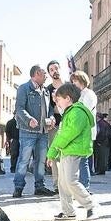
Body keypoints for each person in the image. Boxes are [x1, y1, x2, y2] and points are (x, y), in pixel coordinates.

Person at [46, 83, 94, 220]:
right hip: (67, 150)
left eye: (58, 100)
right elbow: (61, 135)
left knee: (70, 181)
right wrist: (52, 154)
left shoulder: (77, 112)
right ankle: (68, 211)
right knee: (62, 183)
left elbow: (67, 134)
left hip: (73, 150)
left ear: (67, 98)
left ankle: (90, 205)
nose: (57, 103)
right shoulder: (69, 113)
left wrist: (52, 152)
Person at [13, 65, 56, 198]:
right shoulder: (24, 88)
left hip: (43, 132)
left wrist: (52, 117)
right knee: (24, 160)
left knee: (41, 161)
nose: (46, 76)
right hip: (27, 131)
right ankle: (18, 187)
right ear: (37, 74)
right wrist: (29, 119)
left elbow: (49, 109)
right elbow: (19, 108)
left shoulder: (46, 91)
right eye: (44, 74)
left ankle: (40, 187)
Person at [71, 70, 96, 190]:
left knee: (83, 160)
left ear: (81, 81)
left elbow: (84, 111)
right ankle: (81, 186)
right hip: (78, 131)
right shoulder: (78, 95)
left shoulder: (89, 94)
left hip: (85, 132)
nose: (73, 83)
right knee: (80, 160)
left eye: (75, 81)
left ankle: (84, 187)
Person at [46, 60, 64, 193]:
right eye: (51, 69)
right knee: (55, 156)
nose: (54, 71)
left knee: (68, 155)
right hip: (55, 126)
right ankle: (57, 185)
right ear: (49, 73)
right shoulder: (48, 89)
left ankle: (68, 184)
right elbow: (48, 109)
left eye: (56, 68)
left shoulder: (68, 86)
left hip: (69, 125)